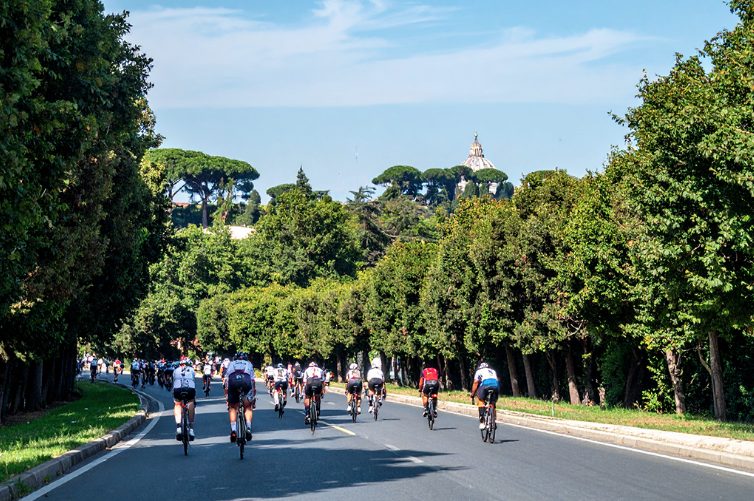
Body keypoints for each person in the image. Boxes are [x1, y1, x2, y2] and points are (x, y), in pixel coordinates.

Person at [226, 352, 255, 442]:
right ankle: (248, 428)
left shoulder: (231, 364)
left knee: (233, 407)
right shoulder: (249, 364)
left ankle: (234, 430)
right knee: (248, 407)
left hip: (233, 383)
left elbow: (226, 381)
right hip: (246, 382)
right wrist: (252, 397)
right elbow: (252, 381)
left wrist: (227, 397)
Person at [172, 356, 197, 441]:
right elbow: (193, 381)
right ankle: (191, 429)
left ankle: (178, 427)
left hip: (178, 389)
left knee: (177, 404)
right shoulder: (192, 370)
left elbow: (173, 383)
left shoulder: (175, 370)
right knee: (191, 402)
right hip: (190, 389)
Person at [469, 361, 499, 430]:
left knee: (481, 400)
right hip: (495, 387)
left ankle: (482, 421)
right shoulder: (493, 371)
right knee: (492, 403)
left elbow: (476, 383)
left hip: (485, 386)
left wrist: (472, 394)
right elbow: (496, 380)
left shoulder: (479, 371)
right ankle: (493, 420)